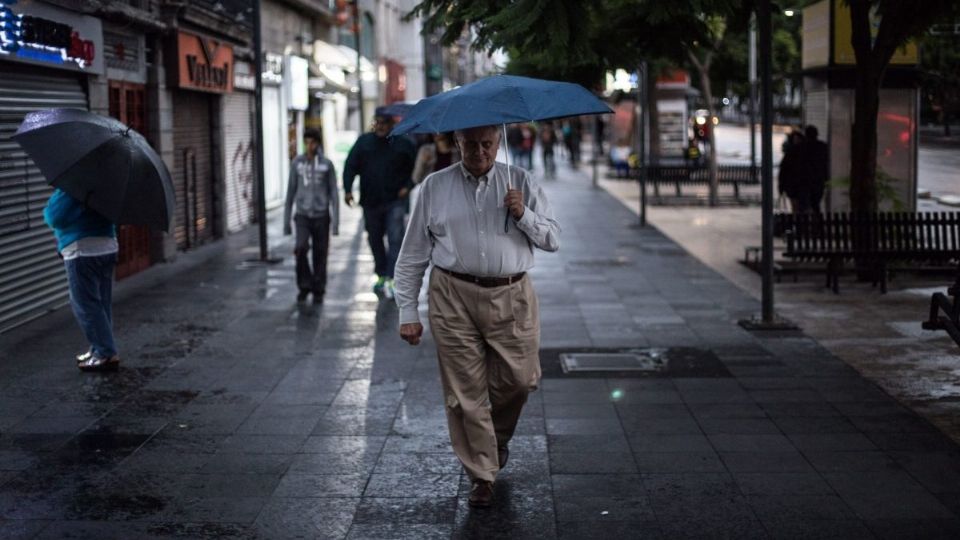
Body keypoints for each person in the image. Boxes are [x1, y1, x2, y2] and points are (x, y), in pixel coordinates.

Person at [393, 124, 560, 509]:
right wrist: (407, 309)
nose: (480, 152)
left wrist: (523, 214)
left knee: (519, 381)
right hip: (452, 295)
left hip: (512, 294)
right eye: (471, 145)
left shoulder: (520, 180)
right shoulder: (435, 186)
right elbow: (413, 252)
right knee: (464, 391)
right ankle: (482, 474)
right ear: (457, 143)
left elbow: (553, 239)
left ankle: (494, 440)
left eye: (487, 144)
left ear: (498, 142)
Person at [43, 188, 119, 372]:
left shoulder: (72, 186)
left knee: (85, 305)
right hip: (107, 247)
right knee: (101, 303)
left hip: (82, 250)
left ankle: (105, 353)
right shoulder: (107, 184)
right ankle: (98, 348)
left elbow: (54, 217)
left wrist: (52, 203)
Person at [343, 107, 416, 297]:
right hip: (371, 201)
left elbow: (416, 168)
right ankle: (381, 273)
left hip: (395, 201)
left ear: (392, 124)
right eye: (378, 123)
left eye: (384, 123)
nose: (380, 127)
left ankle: (392, 277)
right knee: (374, 239)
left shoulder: (403, 143)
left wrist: (408, 186)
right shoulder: (364, 142)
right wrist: (348, 189)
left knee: (395, 239)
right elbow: (350, 165)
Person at [283, 128, 340, 304]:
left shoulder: (326, 164)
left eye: (313, 142)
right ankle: (304, 284)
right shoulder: (297, 164)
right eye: (306, 142)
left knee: (320, 253)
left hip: (322, 216)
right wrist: (286, 222)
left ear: (318, 143)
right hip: (302, 215)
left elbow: (334, 193)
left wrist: (336, 222)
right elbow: (290, 192)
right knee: (300, 248)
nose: (309, 146)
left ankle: (318, 287)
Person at [802, 125, 829, 214]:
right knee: (815, 203)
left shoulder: (802, 148)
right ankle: (817, 224)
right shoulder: (823, 147)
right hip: (818, 181)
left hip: (806, 181)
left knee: (806, 205)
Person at [778, 130, 806, 212]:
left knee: (796, 206)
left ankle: (797, 222)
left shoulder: (790, 153)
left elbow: (783, 170)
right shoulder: (794, 153)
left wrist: (781, 187)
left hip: (794, 185)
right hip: (794, 185)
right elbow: (783, 171)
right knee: (796, 206)